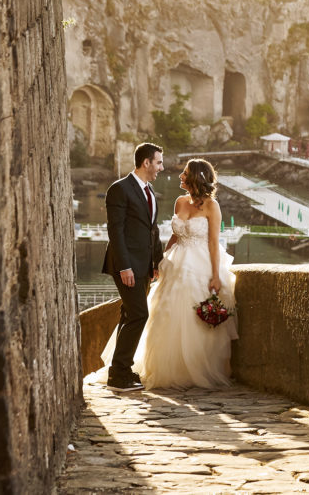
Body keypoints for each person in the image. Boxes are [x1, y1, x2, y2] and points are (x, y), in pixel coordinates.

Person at [136, 158, 237, 389]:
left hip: (200, 264)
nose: (180, 176)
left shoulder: (212, 206)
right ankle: (166, 368)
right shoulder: (180, 201)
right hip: (176, 263)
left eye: (184, 173)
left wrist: (215, 275)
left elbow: (213, 242)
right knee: (167, 312)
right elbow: (175, 235)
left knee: (195, 316)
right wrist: (161, 262)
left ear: (195, 177)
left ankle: (196, 369)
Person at [102, 142, 164, 393]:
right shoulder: (119, 189)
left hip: (143, 265)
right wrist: (125, 267)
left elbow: (152, 229)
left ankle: (121, 371)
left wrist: (155, 262)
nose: (162, 167)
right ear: (146, 162)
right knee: (140, 314)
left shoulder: (149, 191)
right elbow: (114, 230)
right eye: (158, 162)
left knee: (129, 314)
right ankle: (118, 373)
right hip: (125, 264)